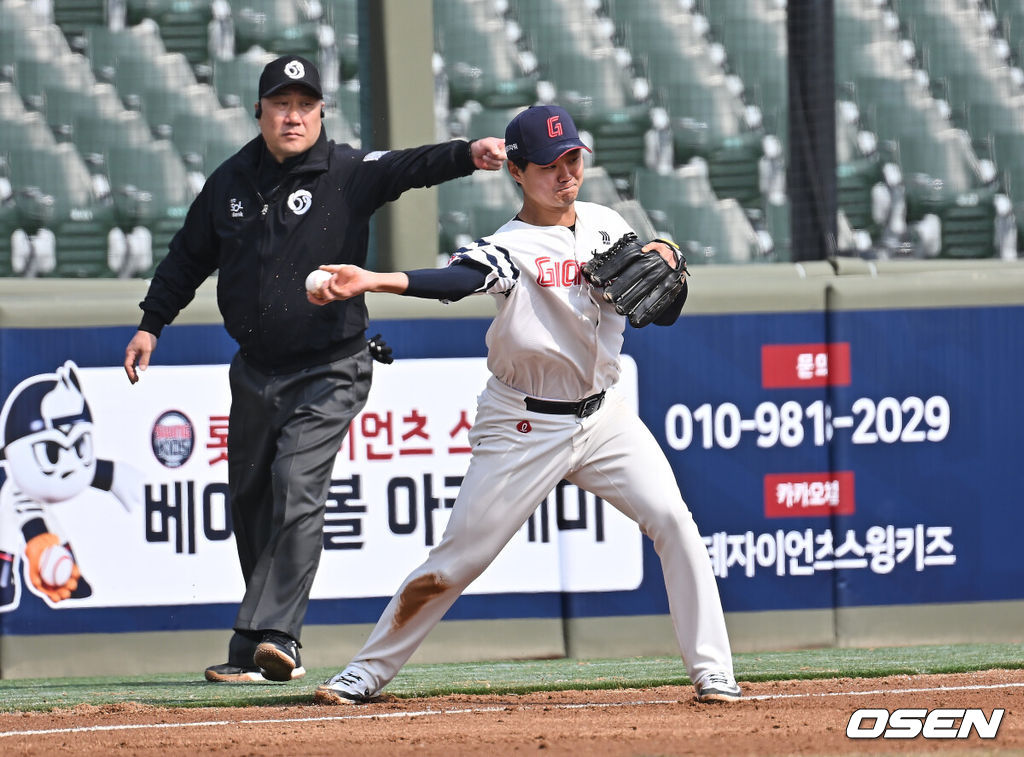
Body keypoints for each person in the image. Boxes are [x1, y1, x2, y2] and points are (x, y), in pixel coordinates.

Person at [307, 104, 742, 704]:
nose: (565, 174)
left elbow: (657, 279)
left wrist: (665, 250)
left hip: (606, 417)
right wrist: (374, 280)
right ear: (516, 170)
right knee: (456, 561)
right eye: (548, 164)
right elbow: (458, 281)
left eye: (572, 160)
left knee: (674, 522)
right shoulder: (509, 247)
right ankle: (367, 671)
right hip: (523, 424)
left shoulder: (604, 222)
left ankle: (713, 669)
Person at [122, 55, 507, 684]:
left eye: (304, 104)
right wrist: (150, 323)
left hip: (331, 367)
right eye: (280, 104)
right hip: (255, 370)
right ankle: (253, 649)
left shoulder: (348, 171)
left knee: (296, 484)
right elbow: (186, 257)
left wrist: (470, 151)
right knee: (249, 501)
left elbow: (411, 164)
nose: (293, 115)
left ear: (321, 111)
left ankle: (277, 637)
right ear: (260, 112)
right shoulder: (229, 183)